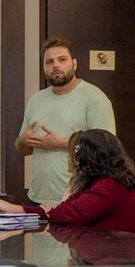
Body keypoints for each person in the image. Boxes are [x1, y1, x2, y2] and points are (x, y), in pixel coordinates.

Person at [15, 38, 115, 206]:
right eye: (49, 62)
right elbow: (23, 149)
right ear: (44, 68)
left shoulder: (95, 98)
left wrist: (61, 142)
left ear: (74, 64)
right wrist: (23, 140)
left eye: (62, 59)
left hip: (78, 197)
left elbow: (107, 148)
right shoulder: (36, 100)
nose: (55, 65)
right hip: (38, 198)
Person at [0, 129, 135, 233]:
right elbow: (62, 210)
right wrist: (12, 209)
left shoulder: (110, 186)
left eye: (71, 154)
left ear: (85, 159)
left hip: (117, 263)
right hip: (106, 257)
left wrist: (46, 211)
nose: (68, 158)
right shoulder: (96, 183)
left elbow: (66, 214)